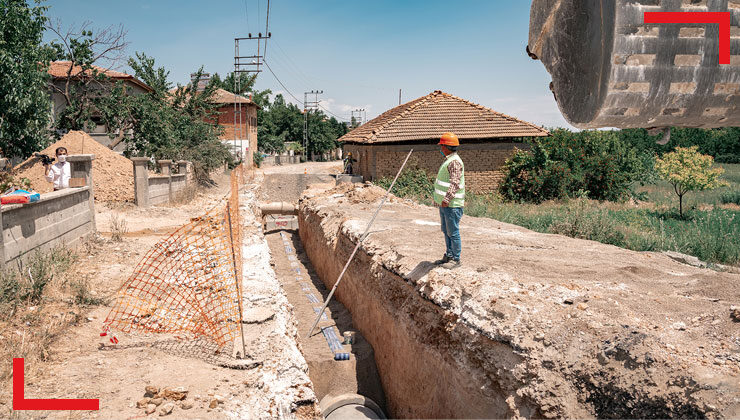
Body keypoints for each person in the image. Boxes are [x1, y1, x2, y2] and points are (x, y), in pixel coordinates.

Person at [433, 132, 465, 269]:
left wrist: (447, 199)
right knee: (446, 230)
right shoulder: (449, 160)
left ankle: (455, 259)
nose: (440, 148)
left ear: (446, 147)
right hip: (445, 204)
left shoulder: (454, 162)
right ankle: (449, 255)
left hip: (452, 204)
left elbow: (455, 183)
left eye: (442, 146)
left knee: (453, 231)